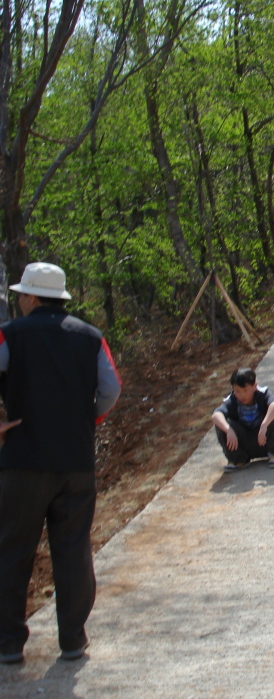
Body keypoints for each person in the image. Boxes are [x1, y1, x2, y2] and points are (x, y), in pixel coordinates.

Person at [0, 262, 122, 664]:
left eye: (21, 294)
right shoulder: (90, 337)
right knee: (72, 550)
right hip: (75, 460)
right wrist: (88, 419)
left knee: (13, 551)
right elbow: (110, 388)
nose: (19, 300)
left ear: (32, 298)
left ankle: (9, 644)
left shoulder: (9, 335)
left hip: (21, 460)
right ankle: (72, 639)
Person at [211, 368, 274, 471]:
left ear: (254, 386)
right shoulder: (232, 400)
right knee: (222, 424)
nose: (241, 395)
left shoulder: (263, 394)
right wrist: (228, 430)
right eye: (237, 391)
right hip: (246, 443)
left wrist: (264, 425)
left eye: (245, 390)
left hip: (265, 440)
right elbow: (216, 415)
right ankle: (239, 460)